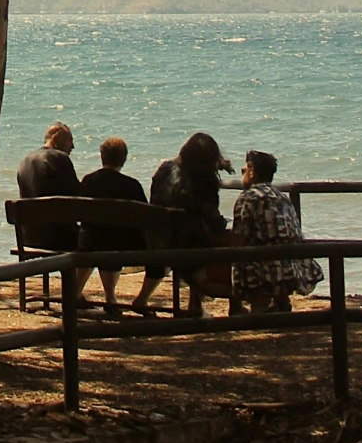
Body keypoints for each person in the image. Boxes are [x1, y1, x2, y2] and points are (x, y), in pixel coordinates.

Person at [132, 129, 232, 318]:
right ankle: (228, 302)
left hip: (156, 239)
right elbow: (211, 219)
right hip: (186, 247)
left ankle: (194, 304)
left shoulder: (165, 169)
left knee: (192, 230)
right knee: (227, 240)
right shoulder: (204, 181)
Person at [230, 150, 322, 314]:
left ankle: (249, 308)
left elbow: (239, 239)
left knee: (233, 254)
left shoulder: (248, 197)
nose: (242, 171)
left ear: (252, 172)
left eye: (245, 167)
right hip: (294, 268)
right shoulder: (282, 196)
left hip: (265, 270)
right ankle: (280, 301)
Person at [74, 137, 147, 315]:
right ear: (124, 159)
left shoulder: (89, 181)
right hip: (121, 243)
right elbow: (145, 216)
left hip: (89, 242)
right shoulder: (132, 185)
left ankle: (76, 294)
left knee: (94, 234)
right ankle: (110, 298)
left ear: (102, 156)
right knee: (113, 236)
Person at [16, 121, 79, 198]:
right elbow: (76, 195)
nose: (72, 146)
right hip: (55, 209)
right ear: (55, 139)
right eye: (69, 140)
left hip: (29, 210)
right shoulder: (60, 158)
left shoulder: (24, 162)